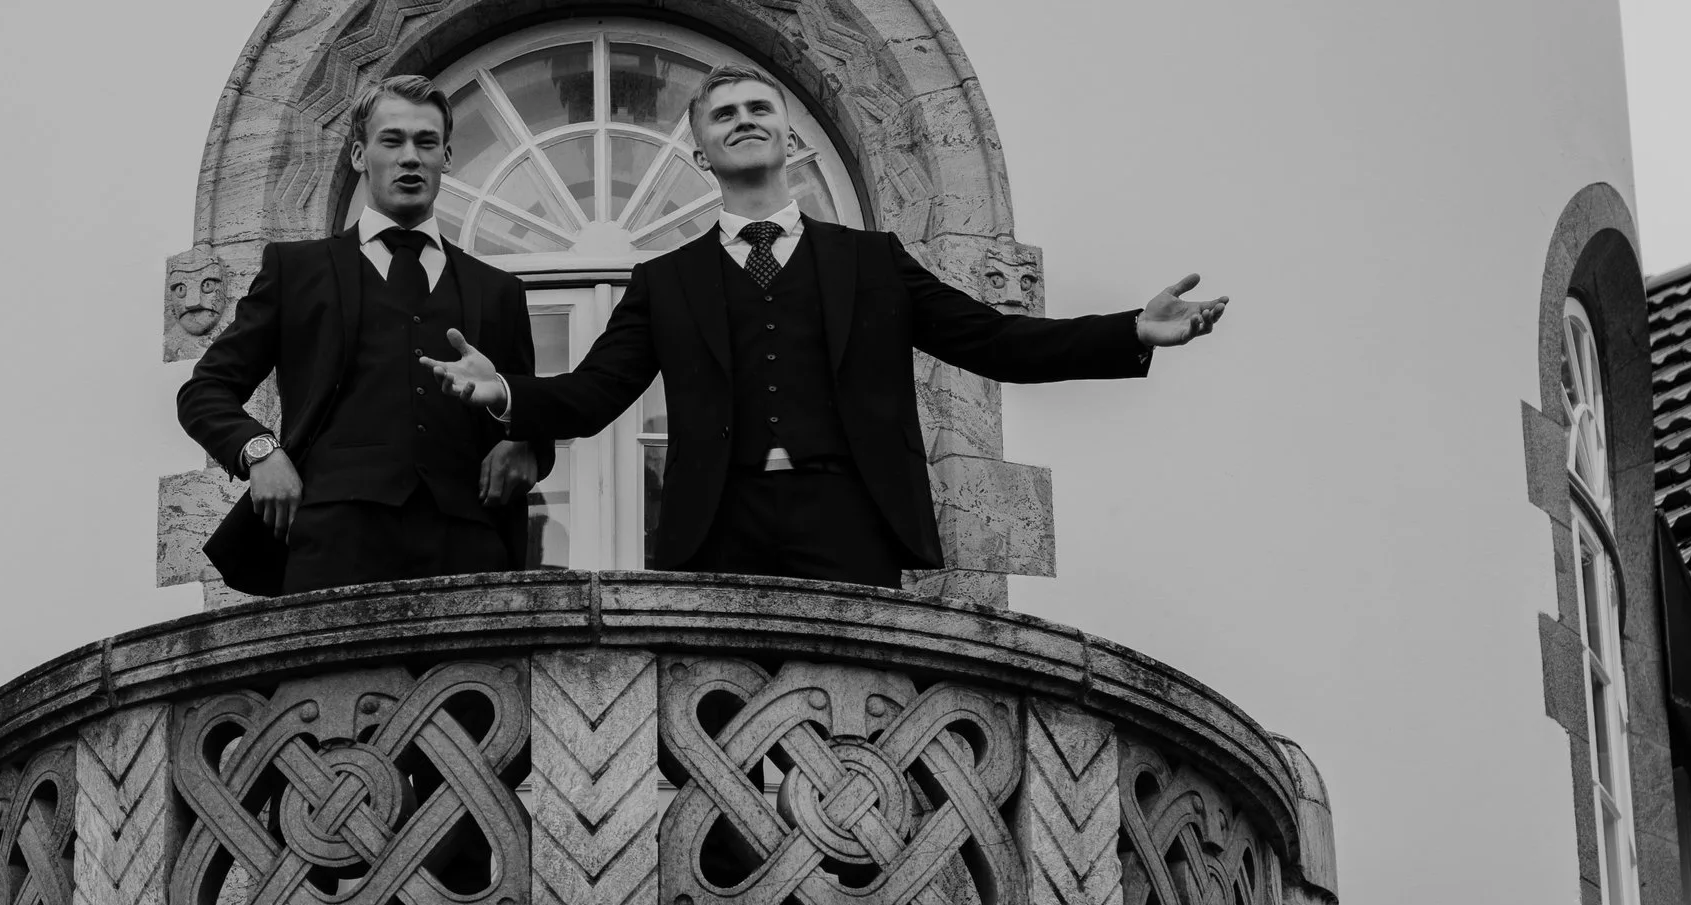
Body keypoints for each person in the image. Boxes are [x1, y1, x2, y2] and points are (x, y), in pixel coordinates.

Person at [421, 63, 1225, 589]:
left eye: (757, 109)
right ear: (701, 152)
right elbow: (595, 394)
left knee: (848, 741)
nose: (742, 120)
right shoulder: (666, 282)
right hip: (718, 528)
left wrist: (1131, 332)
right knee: (729, 742)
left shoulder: (871, 262)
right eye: (723, 115)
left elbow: (996, 342)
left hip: (852, 521)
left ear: (789, 136)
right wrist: (508, 395)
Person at [178, 70, 541, 594]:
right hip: (332, 543)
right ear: (358, 155)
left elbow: (526, 404)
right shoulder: (295, 270)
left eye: (426, 142)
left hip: (469, 544)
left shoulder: (498, 289)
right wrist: (260, 451)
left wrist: (526, 440)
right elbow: (205, 391)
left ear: (446, 157)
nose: (410, 157)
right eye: (391, 141)